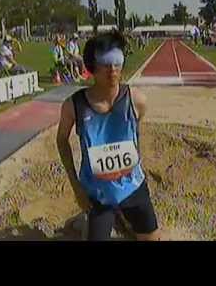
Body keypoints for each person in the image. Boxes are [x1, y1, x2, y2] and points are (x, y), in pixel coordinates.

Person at [56, 31, 161, 241]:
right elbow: (61, 140)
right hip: (96, 194)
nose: (112, 69)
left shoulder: (137, 100)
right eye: (105, 62)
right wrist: (76, 187)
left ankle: (122, 217)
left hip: (133, 187)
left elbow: (135, 135)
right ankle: (85, 222)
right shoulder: (73, 106)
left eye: (117, 61)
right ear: (92, 67)